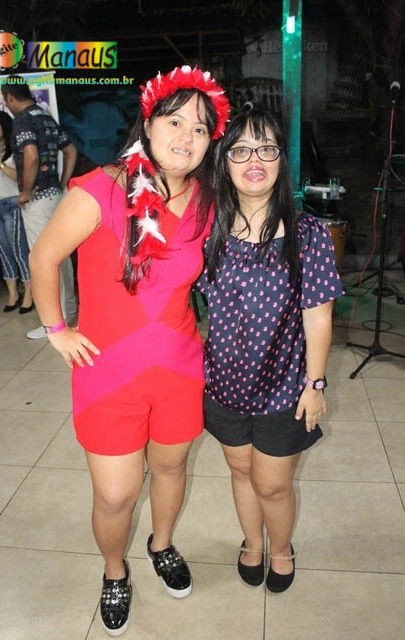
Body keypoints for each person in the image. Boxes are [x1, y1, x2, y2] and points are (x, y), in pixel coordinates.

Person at [29, 66, 230, 636]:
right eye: (175, 122)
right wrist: (55, 329)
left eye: (200, 128)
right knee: (116, 494)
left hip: (179, 369)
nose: (187, 137)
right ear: (148, 122)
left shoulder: (207, 200)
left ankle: (161, 544)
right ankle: (114, 571)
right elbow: (44, 257)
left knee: (171, 468)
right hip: (107, 373)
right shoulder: (100, 188)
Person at [196, 106, 344, 594]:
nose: (254, 159)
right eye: (240, 150)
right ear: (224, 163)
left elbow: (318, 316)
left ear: (282, 159)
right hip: (223, 385)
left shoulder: (308, 235)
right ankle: (253, 543)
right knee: (241, 471)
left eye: (266, 148)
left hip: (285, 387)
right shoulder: (208, 233)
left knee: (274, 484)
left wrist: (315, 384)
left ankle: (281, 549)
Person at [1, 75, 77, 338]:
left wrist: (25, 190)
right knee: (61, 256)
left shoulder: (22, 120)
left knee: (44, 260)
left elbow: (31, 155)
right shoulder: (45, 116)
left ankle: (55, 323)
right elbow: (70, 150)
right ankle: (69, 310)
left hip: (38, 201)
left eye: (6, 101)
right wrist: (63, 183)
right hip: (55, 197)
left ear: (10, 97)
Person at [0, 110, 33, 312]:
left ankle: (29, 294)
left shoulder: (14, 151)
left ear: (4, 126)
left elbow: (19, 177)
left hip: (12, 205)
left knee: (19, 251)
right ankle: (13, 294)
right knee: (4, 252)